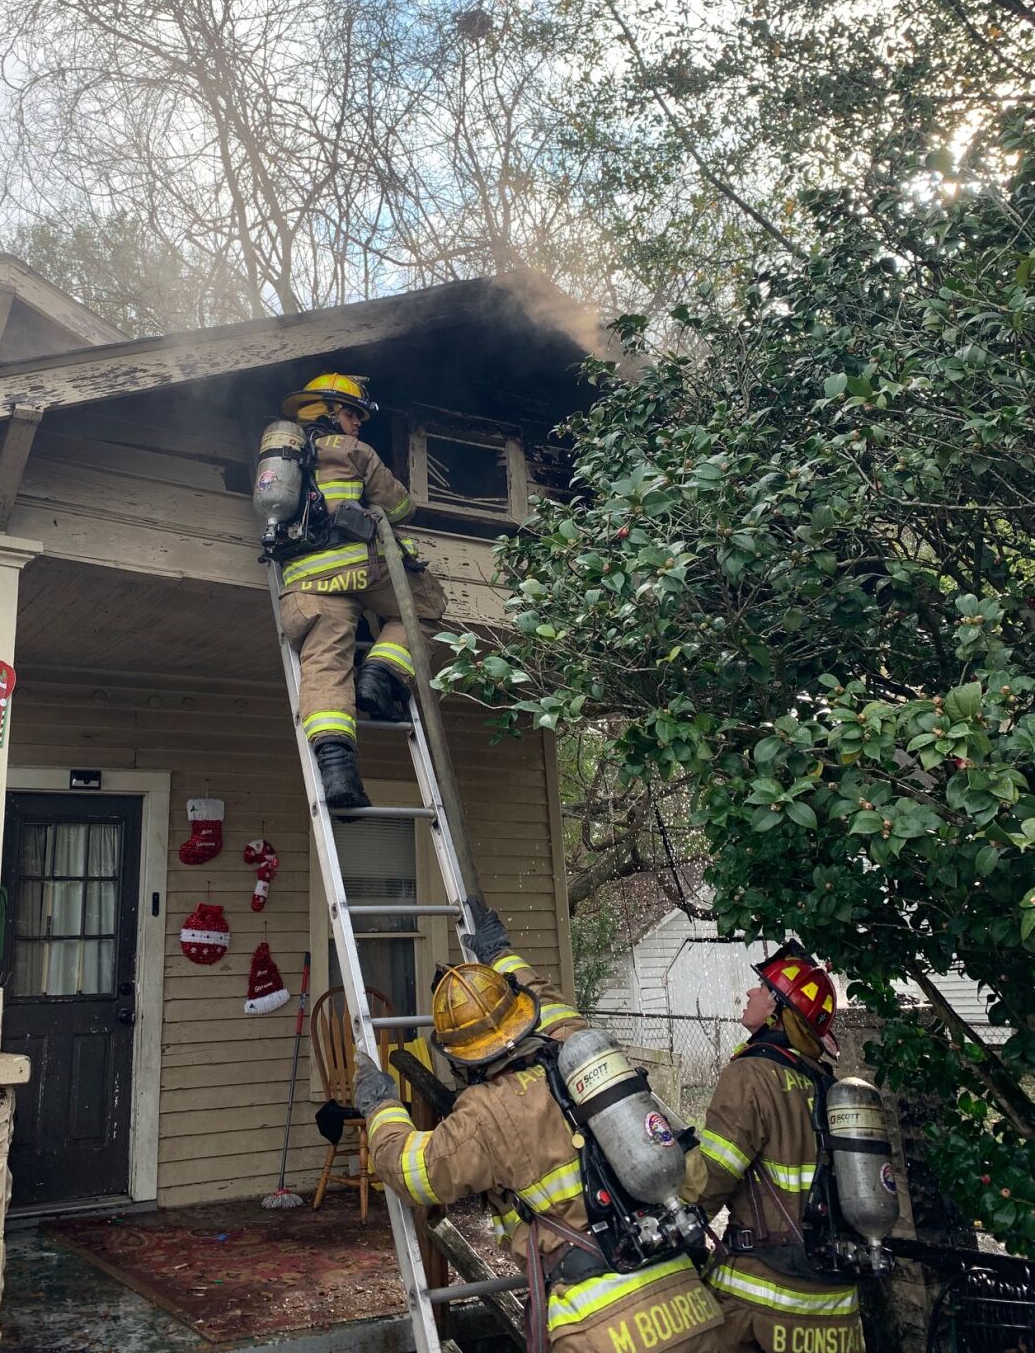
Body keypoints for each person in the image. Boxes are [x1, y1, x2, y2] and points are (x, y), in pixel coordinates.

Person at [353, 899, 724, 1353]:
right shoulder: (576, 1046)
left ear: (460, 1057)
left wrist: (380, 1107)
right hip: (690, 1300)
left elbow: (415, 1172)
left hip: (599, 1328)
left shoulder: (485, 1114)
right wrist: (499, 953)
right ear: (521, 1015)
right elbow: (545, 999)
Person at [276, 372, 446, 812]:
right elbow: (400, 507)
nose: (358, 424)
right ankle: (380, 674)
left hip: (303, 585)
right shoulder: (353, 450)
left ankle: (338, 774)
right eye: (353, 414)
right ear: (330, 411)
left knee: (324, 665)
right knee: (425, 606)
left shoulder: (280, 461)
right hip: (359, 568)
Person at [690, 946, 866, 1353]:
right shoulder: (825, 1084)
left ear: (777, 1010)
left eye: (762, 987)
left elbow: (710, 1179)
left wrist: (672, 1221)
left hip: (763, 1301)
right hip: (838, 1311)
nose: (750, 993)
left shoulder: (751, 1074)